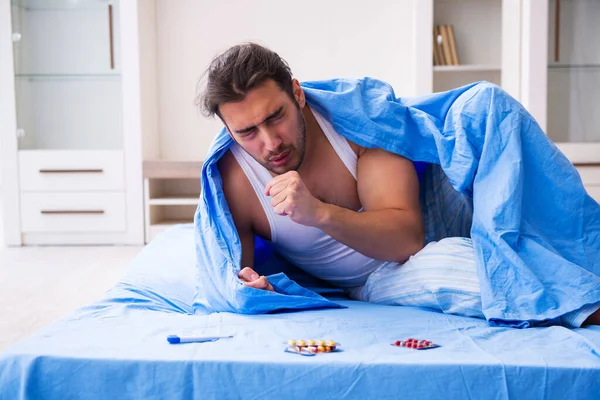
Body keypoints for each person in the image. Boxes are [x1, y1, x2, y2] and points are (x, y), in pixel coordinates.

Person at [198, 42, 600, 326]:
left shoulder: (356, 126)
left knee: (485, 107)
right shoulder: (234, 184)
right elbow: (235, 274)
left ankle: (580, 251)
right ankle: (586, 300)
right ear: (229, 131)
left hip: (424, 211)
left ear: (298, 94)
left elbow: (406, 236)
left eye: (275, 117)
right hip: (380, 274)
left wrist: (318, 213)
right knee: (456, 263)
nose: (270, 143)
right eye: (247, 131)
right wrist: (253, 285)